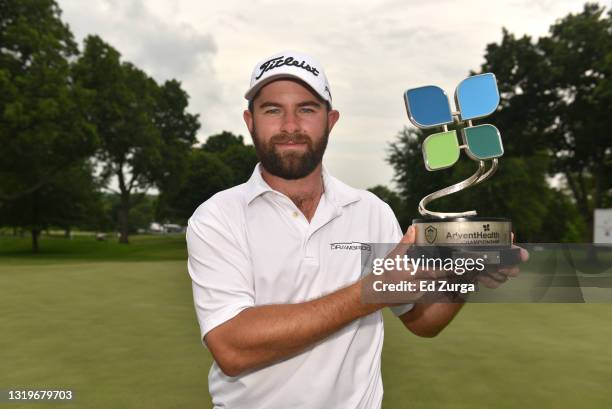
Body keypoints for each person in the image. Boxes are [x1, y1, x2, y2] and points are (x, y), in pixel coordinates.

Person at [186, 50, 525, 409]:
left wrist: (464, 277)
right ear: (249, 121)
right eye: (272, 110)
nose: (289, 126)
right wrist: (372, 291)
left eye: (306, 109)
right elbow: (233, 347)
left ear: (330, 120)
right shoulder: (216, 218)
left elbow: (422, 319)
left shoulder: (370, 211)